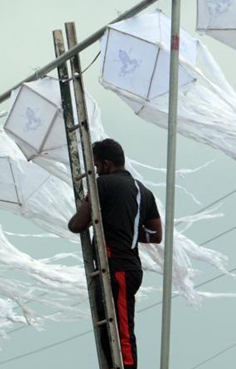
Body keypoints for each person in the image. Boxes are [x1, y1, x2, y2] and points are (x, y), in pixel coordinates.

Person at [68, 139, 162, 369]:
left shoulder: (102, 185)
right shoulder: (143, 190)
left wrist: (103, 218)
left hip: (117, 266)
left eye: (98, 166)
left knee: (121, 330)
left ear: (107, 164)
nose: (97, 171)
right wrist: (128, 227)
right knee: (110, 327)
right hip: (125, 267)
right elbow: (155, 234)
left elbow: (76, 224)